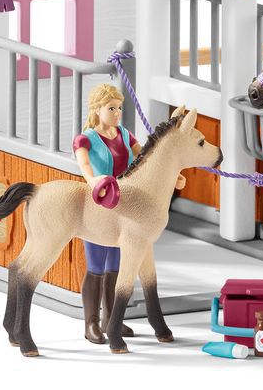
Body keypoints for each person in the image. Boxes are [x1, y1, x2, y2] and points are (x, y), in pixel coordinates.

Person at [71, 84, 187, 343]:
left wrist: (171, 175)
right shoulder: (85, 139)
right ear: (97, 109)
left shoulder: (124, 134)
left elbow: (146, 159)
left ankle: (111, 318)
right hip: (100, 202)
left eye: (119, 108)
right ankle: (91, 322)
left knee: (117, 266)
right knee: (96, 266)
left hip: (125, 203)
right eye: (111, 108)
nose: (117, 113)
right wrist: (92, 181)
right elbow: (84, 163)